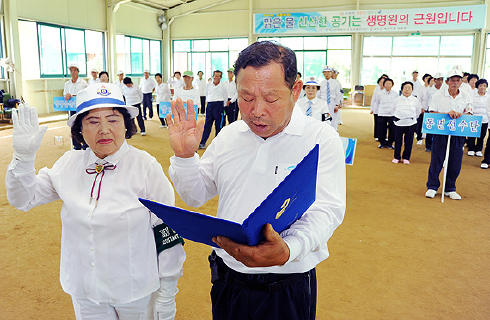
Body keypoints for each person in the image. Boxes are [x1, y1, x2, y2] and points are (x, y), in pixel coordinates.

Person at [166, 40, 346, 320]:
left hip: (286, 286)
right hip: (228, 280)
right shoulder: (229, 135)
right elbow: (196, 195)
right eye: (246, 97)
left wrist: (289, 249)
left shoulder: (321, 139)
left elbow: (327, 209)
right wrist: (186, 157)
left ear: (295, 90)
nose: (256, 110)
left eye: (271, 98)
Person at [6, 83, 185, 320]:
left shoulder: (145, 167)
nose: (104, 130)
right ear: (80, 128)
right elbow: (23, 198)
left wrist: (167, 294)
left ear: (125, 124)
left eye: (113, 120)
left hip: (135, 290)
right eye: (92, 121)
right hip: (86, 291)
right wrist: (23, 158)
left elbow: (167, 234)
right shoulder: (69, 165)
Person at [425, 68, 473, 200]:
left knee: (455, 161)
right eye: (452, 80)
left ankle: (450, 188)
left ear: (461, 82)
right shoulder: (438, 96)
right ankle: (432, 186)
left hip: (458, 133)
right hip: (441, 132)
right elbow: (432, 112)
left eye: (458, 80)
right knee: (437, 159)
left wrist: (460, 114)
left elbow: (469, 113)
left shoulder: (466, 96)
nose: (455, 83)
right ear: (447, 82)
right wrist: (447, 114)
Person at [392, 82, 422, 164]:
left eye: (409, 88)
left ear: (412, 90)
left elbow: (418, 112)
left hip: (410, 123)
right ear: (402, 89)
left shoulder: (415, 100)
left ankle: (406, 157)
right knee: (398, 141)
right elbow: (393, 110)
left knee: (409, 141)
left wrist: (411, 118)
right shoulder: (397, 100)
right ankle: (396, 157)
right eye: (405, 88)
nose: (407, 90)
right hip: (399, 123)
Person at [199, 70, 227, 149]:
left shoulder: (223, 86)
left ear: (221, 77)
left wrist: (223, 107)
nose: (217, 77)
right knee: (207, 124)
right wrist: (208, 103)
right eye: (215, 75)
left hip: (219, 105)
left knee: (219, 125)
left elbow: (225, 96)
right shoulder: (208, 85)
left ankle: (217, 144)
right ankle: (202, 142)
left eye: (219, 76)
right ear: (213, 76)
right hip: (210, 105)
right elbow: (207, 94)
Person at [63, 63, 88, 150]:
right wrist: (67, 96)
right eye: (71, 70)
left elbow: (87, 95)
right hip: (71, 109)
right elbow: (64, 96)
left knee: (83, 125)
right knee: (73, 126)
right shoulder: (67, 84)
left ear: (78, 71)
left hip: (82, 108)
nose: (72, 72)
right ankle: (76, 145)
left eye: (74, 70)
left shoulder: (83, 83)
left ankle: (85, 144)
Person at [467, 78, 488, 157]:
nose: (482, 87)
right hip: (474, 118)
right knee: (472, 134)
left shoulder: (488, 97)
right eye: (480, 85)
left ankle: (479, 149)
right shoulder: (473, 96)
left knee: (482, 135)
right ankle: (471, 149)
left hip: (485, 118)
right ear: (477, 86)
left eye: (484, 86)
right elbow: (469, 105)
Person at [425, 72, 444, 152]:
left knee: (440, 128)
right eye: (438, 80)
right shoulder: (430, 90)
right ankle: (428, 146)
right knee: (430, 129)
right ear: (435, 80)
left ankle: (438, 145)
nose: (440, 81)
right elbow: (426, 100)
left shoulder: (444, 90)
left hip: (441, 111)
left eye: (441, 80)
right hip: (431, 111)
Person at [376, 78, 398, 149]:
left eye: (390, 83)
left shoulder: (395, 93)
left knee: (392, 129)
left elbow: (397, 103)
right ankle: (382, 143)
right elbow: (377, 103)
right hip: (382, 113)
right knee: (381, 129)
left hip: (392, 114)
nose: (388, 85)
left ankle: (390, 143)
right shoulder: (380, 93)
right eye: (386, 83)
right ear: (384, 85)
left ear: (392, 85)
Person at [318, 65, 342, 130]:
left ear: (331, 73)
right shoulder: (321, 84)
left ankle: (334, 131)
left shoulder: (335, 83)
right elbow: (319, 95)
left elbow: (338, 95)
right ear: (323, 74)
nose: (327, 74)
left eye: (328, 72)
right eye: (325, 72)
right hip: (323, 103)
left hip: (332, 103)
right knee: (323, 118)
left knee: (333, 118)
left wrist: (337, 105)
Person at [415, 73, 432, 145]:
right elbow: (419, 99)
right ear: (424, 80)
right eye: (426, 78)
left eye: (429, 78)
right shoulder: (421, 88)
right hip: (422, 108)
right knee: (420, 124)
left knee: (429, 124)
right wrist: (421, 108)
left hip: (430, 109)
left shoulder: (432, 89)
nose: (428, 80)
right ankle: (419, 138)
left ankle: (428, 140)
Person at [370, 75, 388, 141]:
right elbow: (373, 99)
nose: (382, 83)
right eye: (381, 82)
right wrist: (372, 108)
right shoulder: (376, 88)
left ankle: (384, 136)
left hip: (385, 110)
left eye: (383, 82)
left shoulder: (387, 90)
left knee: (384, 124)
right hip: (377, 109)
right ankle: (377, 135)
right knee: (377, 123)